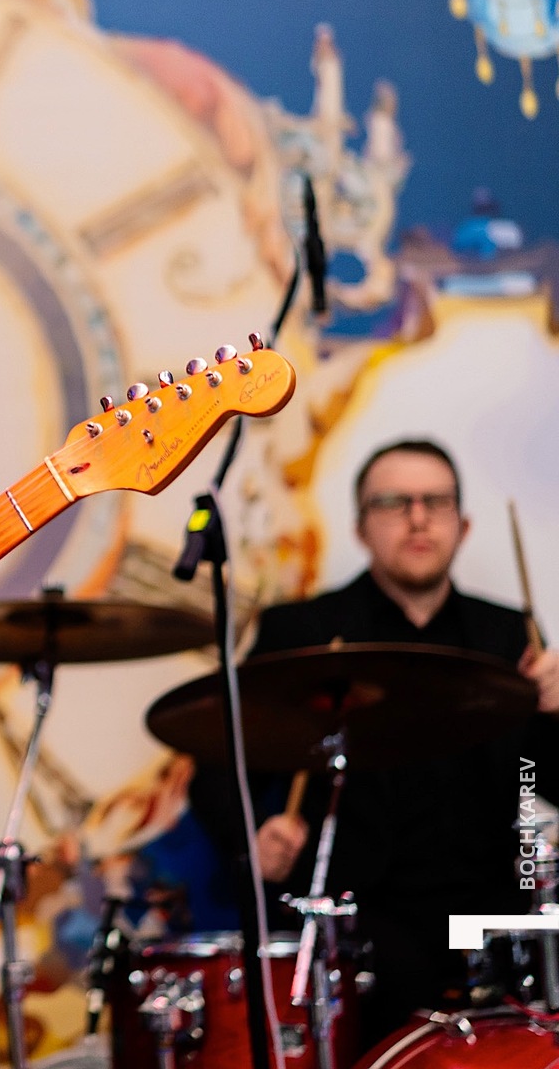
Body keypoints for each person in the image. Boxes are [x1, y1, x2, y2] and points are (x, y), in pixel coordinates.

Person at [191, 439, 559, 1039]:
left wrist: (558, 713)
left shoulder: (508, 634)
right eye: (393, 502)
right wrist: (252, 839)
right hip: (359, 931)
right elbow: (214, 768)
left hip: (491, 921)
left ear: (462, 526)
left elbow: (547, 779)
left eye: (435, 502)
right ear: (360, 528)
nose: (417, 518)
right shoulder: (303, 631)